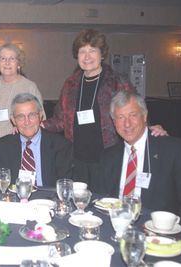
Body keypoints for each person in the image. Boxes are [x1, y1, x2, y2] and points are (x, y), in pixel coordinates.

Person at [42, 28, 166, 185]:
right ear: (77, 55)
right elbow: (60, 120)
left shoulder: (116, 81)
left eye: (92, 51)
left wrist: (150, 128)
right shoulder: (70, 84)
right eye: (82, 51)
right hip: (77, 160)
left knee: (105, 203)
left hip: (108, 158)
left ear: (102, 54)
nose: (87, 57)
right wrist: (35, 125)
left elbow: (135, 111)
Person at [93, 91, 181, 233]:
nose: (127, 123)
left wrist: (180, 233)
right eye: (120, 117)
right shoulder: (109, 156)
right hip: (115, 229)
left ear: (144, 116)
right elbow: (100, 200)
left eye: (133, 115)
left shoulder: (173, 150)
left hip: (160, 233)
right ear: (114, 122)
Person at [0, 43, 45, 177]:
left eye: (12, 58)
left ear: (19, 63)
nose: (7, 62)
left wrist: (23, 126)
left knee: (13, 190)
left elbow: (40, 120)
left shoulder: (29, 87)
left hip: (17, 149)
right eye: (3, 58)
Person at [0, 93, 73, 187]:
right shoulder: (4, 146)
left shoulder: (60, 146)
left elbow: (65, 185)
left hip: (48, 199)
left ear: (40, 116)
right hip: (15, 200)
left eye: (32, 115)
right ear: (13, 120)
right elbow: (0, 181)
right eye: (20, 117)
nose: (27, 122)